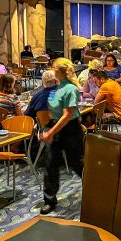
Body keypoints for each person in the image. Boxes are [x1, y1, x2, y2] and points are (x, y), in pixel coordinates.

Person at [37, 58, 84, 213]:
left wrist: (51, 132)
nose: (50, 69)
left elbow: (67, 115)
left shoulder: (71, 89)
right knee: (50, 164)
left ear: (59, 71)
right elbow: (53, 112)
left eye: (53, 67)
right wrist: (47, 129)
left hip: (70, 129)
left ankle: (96, 190)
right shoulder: (56, 88)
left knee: (77, 163)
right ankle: (49, 199)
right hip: (55, 126)